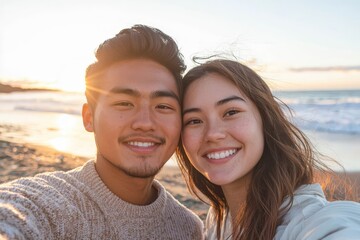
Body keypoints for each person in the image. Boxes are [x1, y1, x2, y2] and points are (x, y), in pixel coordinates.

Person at [0, 25, 204, 239]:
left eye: (163, 106)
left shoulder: (188, 228)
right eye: (124, 103)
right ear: (89, 118)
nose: (145, 123)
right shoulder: (53, 205)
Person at [176, 58, 360, 239]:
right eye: (194, 121)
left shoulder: (317, 222)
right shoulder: (219, 218)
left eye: (231, 112)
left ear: (266, 119)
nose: (213, 134)